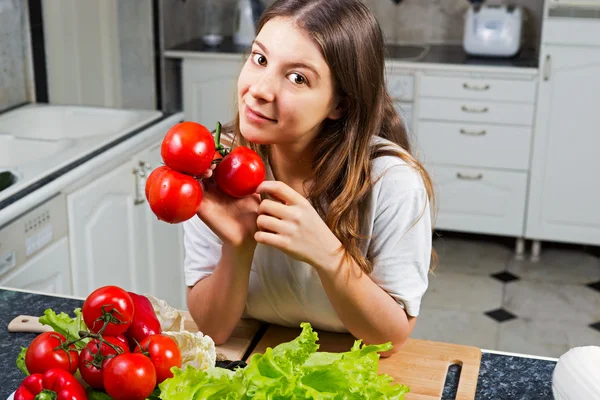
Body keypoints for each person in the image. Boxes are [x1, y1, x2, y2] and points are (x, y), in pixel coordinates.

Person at [184, 0, 436, 357]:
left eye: (297, 78)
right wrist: (238, 246)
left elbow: (388, 342)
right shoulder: (214, 167)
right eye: (259, 59)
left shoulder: (392, 182)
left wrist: (329, 256)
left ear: (340, 104)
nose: (259, 90)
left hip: (353, 370)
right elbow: (215, 330)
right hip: (256, 359)